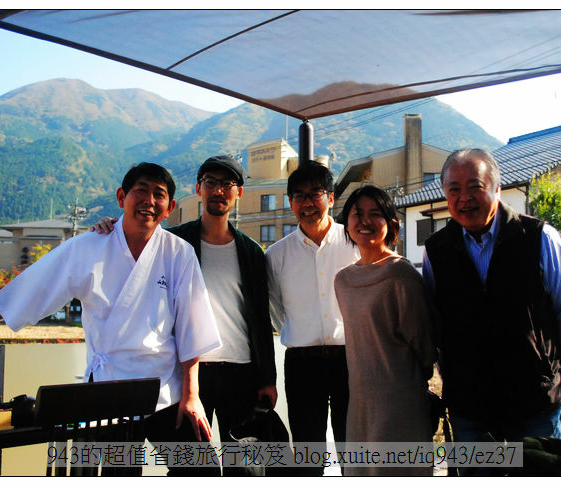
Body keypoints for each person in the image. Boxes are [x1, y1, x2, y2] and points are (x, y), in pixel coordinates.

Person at [0, 162, 222, 454]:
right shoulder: (88, 246)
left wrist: (191, 394)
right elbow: (25, 291)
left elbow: (192, 326)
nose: (149, 201)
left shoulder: (177, 252)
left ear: (170, 206)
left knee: (202, 468)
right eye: (141, 191)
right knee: (115, 474)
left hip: (165, 389)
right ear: (122, 197)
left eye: (158, 195)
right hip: (109, 390)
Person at [92, 156, 277, 476]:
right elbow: (131, 239)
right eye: (210, 183)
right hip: (189, 373)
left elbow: (259, 318)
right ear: (198, 189)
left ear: (239, 193)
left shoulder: (251, 251)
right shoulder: (173, 241)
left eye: (227, 184)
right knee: (192, 465)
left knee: (242, 467)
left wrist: (268, 378)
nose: (218, 190)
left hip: (240, 373)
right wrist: (107, 227)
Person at [422, 148, 561, 449]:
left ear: (497, 188)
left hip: (532, 399)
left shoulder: (538, 237)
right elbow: (435, 319)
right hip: (470, 404)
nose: (464, 198)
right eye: (453, 190)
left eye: (475, 187)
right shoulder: (436, 250)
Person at [265, 162, 359, 476]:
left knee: (353, 446)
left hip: (350, 359)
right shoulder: (276, 256)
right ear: (290, 202)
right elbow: (277, 309)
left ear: (331, 198)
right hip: (302, 364)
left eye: (314, 194)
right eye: (298, 196)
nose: (307, 203)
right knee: (308, 451)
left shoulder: (353, 243)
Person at [334, 186, 436, 476]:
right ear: (347, 223)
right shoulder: (343, 280)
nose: (364, 221)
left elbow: (425, 347)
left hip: (400, 400)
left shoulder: (401, 275)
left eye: (375, 214)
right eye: (357, 214)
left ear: (392, 224)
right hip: (359, 404)